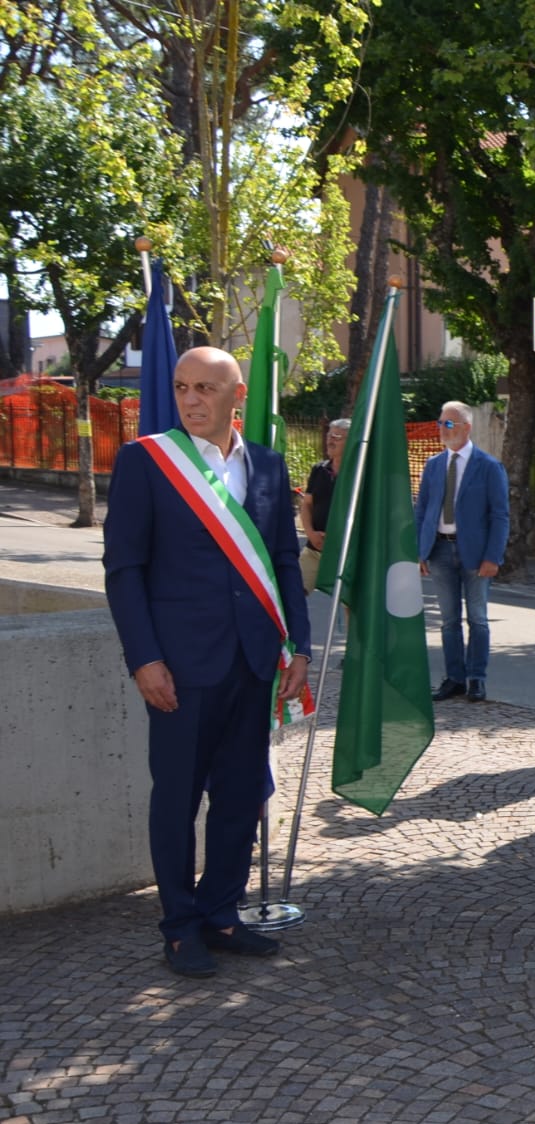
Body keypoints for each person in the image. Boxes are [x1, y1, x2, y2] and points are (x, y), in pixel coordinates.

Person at [103, 346, 311, 976]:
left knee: (241, 794)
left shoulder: (267, 465)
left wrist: (299, 646)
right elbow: (124, 569)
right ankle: (179, 927)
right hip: (180, 667)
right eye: (181, 387)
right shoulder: (146, 461)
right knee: (177, 799)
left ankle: (222, 913)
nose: (190, 400)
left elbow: (283, 563)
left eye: (205, 389)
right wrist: (144, 658)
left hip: (254, 660)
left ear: (236, 395)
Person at [414, 401, 510, 703]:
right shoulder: (433, 465)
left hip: (476, 554)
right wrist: (419, 551)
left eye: (449, 424)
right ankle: (454, 678)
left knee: (478, 619)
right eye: (440, 423)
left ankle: (476, 678)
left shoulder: (489, 466)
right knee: (448, 620)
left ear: (466, 427)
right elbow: (421, 510)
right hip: (439, 550)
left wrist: (493, 556)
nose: (442, 429)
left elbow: (500, 515)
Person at [299, 417, 347, 594]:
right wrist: (311, 534)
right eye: (329, 435)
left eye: (336, 437)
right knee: (291, 594)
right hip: (314, 550)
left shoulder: (360, 474)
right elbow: (307, 505)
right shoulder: (319, 470)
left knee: (352, 604)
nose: (330, 441)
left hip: (347, 555)